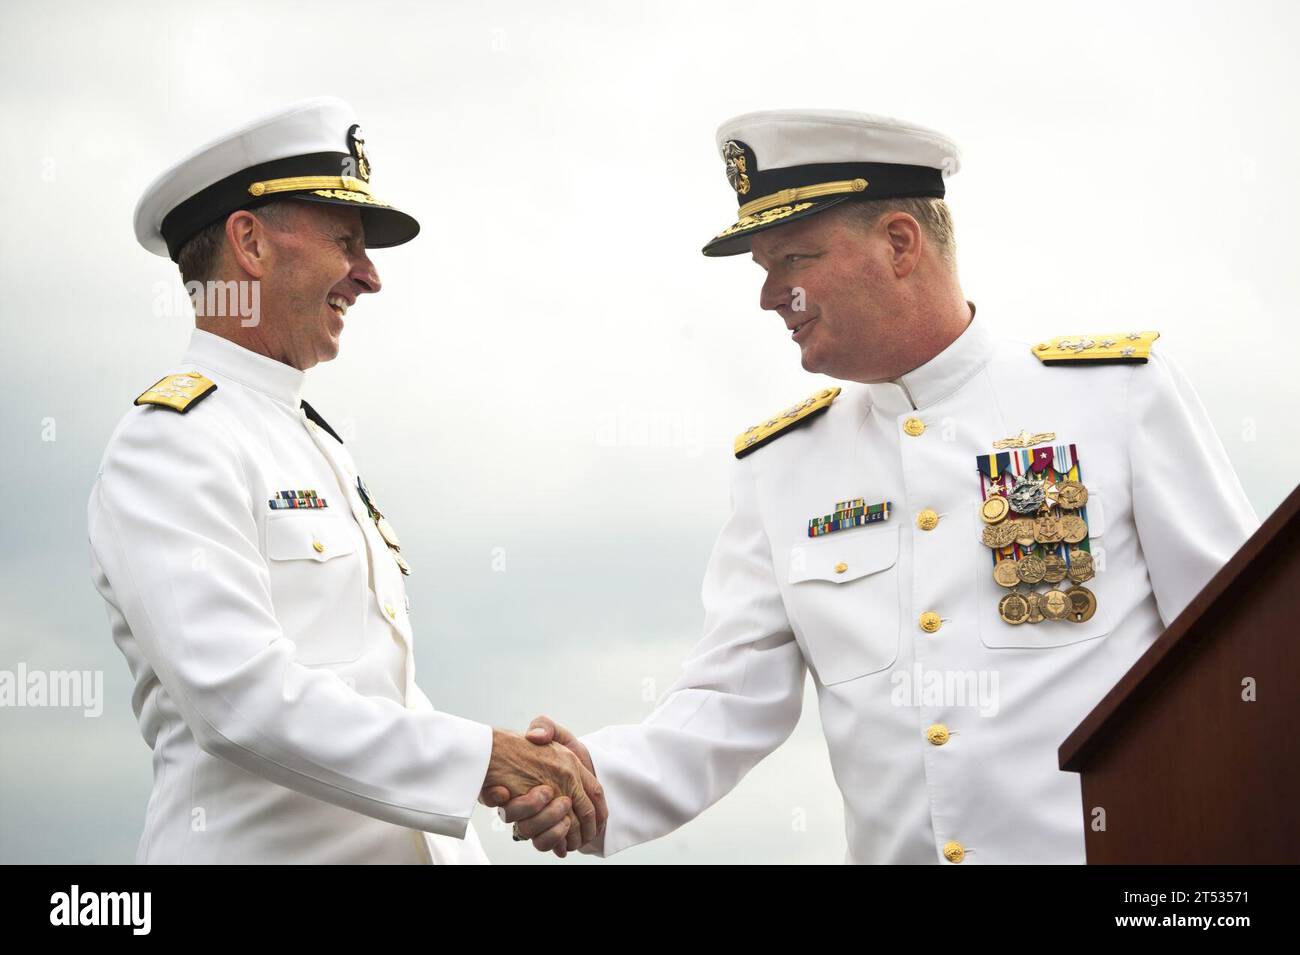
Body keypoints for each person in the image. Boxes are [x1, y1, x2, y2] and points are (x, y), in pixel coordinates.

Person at [485, 109, 1259, 863]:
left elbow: (1245, 647)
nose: (767, 296)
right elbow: (726, 704)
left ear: (899, 243)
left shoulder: (1116, 399)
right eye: (764, 270)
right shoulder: (781, 467)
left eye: (794, 259)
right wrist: (588, 788)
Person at [89, 97, 602, 863]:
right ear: (250, 242)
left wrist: (509, 785)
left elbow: (380, 701)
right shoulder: (171, 442)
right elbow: (240, 700)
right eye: (346, 242)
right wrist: (485, 758)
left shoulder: (313, 441)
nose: (368, 277)